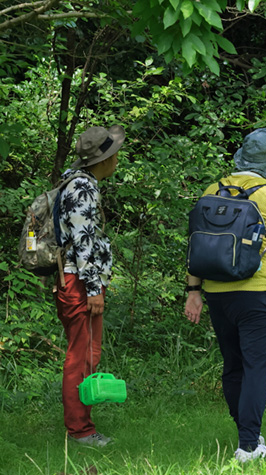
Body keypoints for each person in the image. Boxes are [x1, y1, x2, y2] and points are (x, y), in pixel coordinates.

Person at [184, 128, 266, 463]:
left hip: (216, 294)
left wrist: (193, 290)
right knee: (257, 367)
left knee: (233, 366)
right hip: (255, 294)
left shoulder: (213, 189)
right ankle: (248, 446)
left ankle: (249, 433)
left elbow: (197, 244)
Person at [56, 124, 125, 447]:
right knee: (81, 356)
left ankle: (82, 425)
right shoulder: (82, 187)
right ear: (103, 159)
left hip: (78, 279)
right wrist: (94, 288)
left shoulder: (77, 180)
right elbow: (83, 242)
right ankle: (80, 431)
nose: (117, 159)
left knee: (87, 355)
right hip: (79, 282)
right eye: (114, 154)